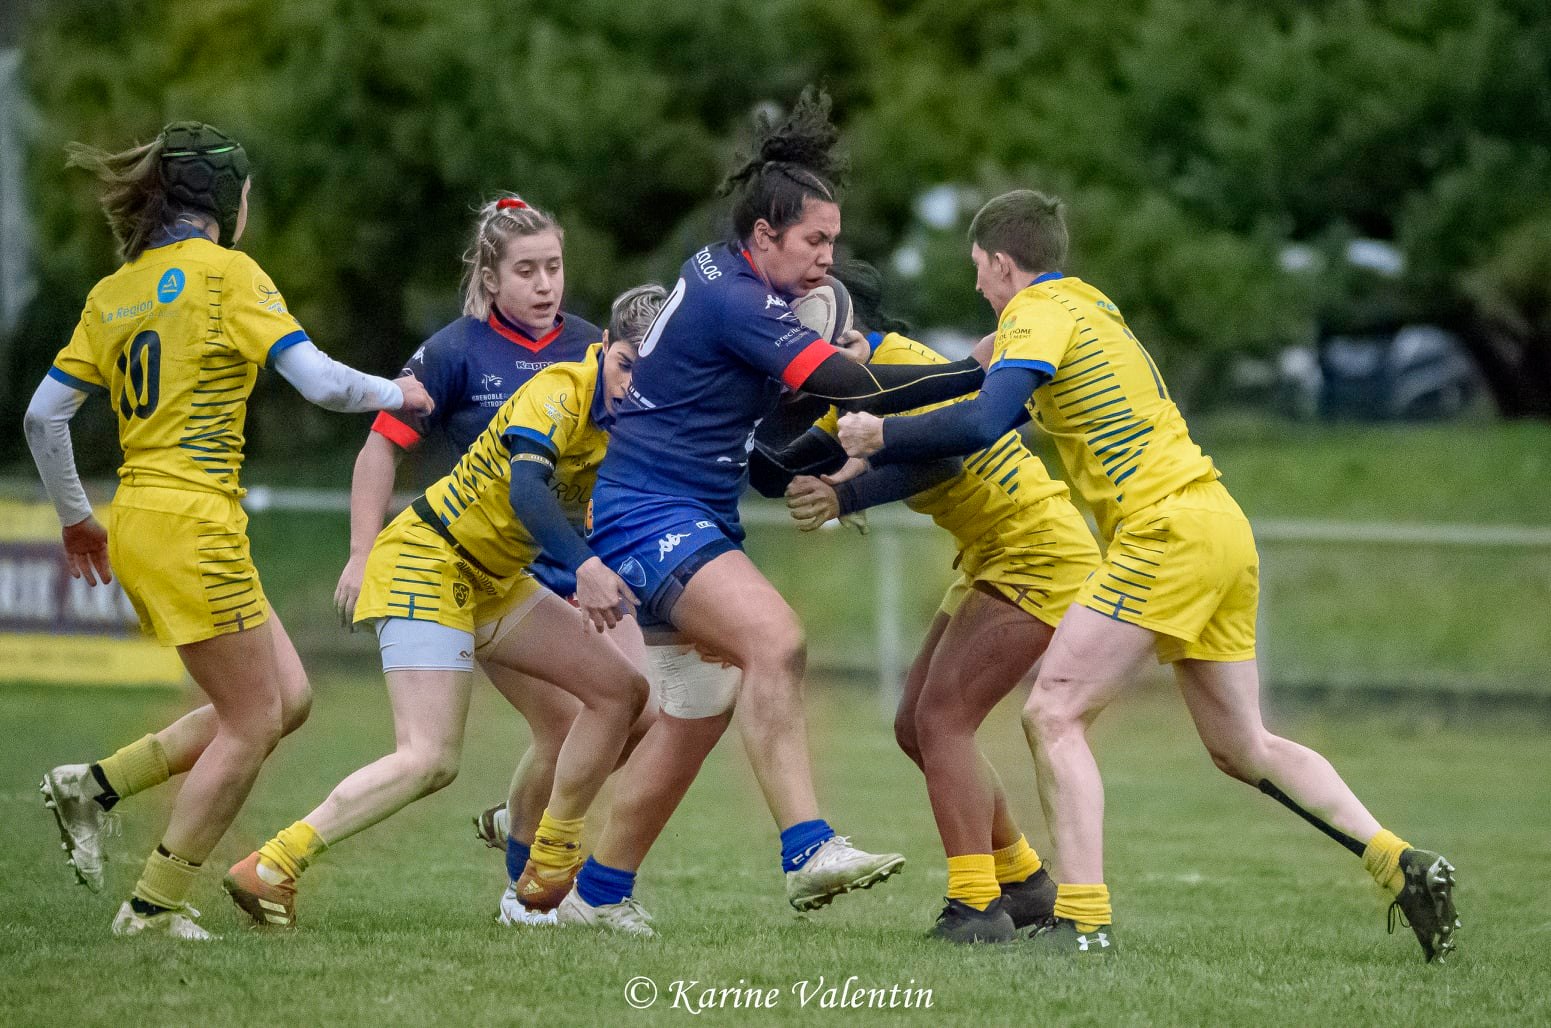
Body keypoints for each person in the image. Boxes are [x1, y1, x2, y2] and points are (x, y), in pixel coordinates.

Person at [835, 189, 1459, 960]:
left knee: (1053, 713)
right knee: (1241, 746)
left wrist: (877, 430)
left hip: (1163, 528)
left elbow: (977, 423)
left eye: (977, 271)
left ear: (1001, 262)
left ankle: (1083, 922)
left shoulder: (1033, 314)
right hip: (1217, 523)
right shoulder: (1086, 306)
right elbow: (958, 384)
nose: (975, 288)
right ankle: (1399, 862)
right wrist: (866, 394)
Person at [556, 88, 991, 934]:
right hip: (648, 515)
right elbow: (852, 386)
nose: (827, 258)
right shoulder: (738, 301)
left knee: (698, 709)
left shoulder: (720, 273)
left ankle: (596, 895)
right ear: (765, 237)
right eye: (813, 241)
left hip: (684, 512)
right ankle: (806, 848)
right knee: (775, 639)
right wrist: (981, 369)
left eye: (833, 240)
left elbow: (771, 443)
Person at [26, 121, 433, 939]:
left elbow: (43, 416)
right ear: (226, 198)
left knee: (287, 701)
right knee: (252, 720)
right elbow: (318, 382)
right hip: (193, 521)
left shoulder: (116, 292)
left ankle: (93, 787)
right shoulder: (226, 276)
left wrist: (77, 519)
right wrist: (398, 393)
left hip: (140, 514)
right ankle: (152, 906)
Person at [223, 286, 664, 928]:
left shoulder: (636, 418)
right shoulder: (560, 390)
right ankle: (271, 864)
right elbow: (528, 492)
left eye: (650, 375)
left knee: (622, 695)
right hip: (426, 559)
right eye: (626, 363)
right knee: (429, 759)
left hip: (493, 578)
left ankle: (550, 853)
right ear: (604, 348)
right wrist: (587, 567)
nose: (632, 385)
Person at [327, 194, 642, 920]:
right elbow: (380, 447)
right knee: (567, 722)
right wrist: (358, 552)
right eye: (526, 270)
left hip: (577, 558)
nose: (543, 284)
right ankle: (531, 881)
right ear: (491, 278)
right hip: (491, 565)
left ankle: (526, 816)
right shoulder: (455, 350)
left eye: (554, 268)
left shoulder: (598, 347)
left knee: (637, 711)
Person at [776, 260, 1102, 943]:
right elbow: (776, 464)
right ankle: (1022, 880)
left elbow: (941, 460)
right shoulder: (851, 385)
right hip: (994, 550)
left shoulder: (901, 364)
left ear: (850, 330)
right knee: (914, 724)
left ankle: (975, 906)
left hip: (1035, 549)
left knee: (943, 718)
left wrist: (843, 494)